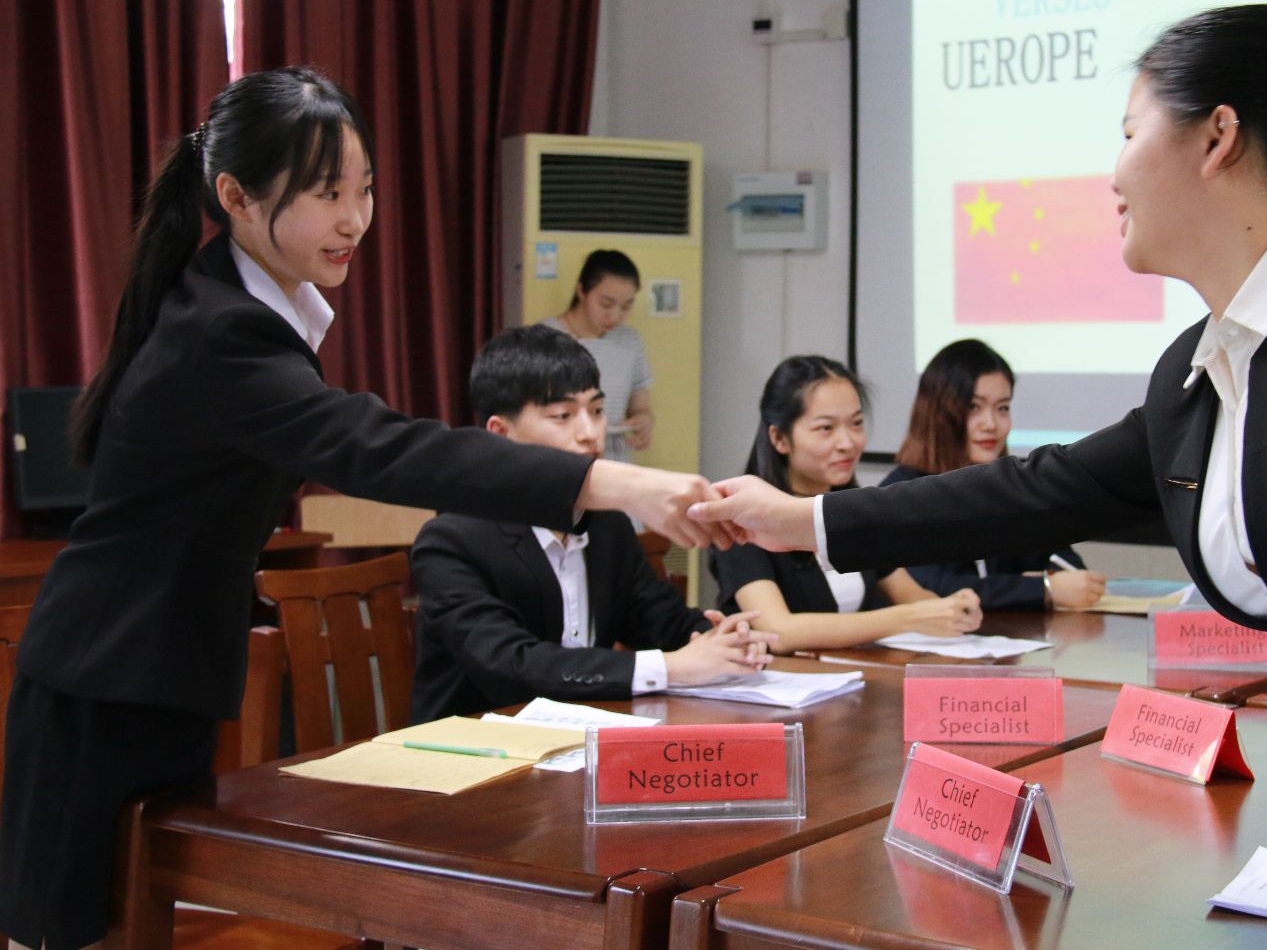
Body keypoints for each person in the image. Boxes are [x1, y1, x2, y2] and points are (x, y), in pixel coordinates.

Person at [692, 4, 1267, 947]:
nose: (1114, 172)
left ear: (1218, 136)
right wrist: (807, 521)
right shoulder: (1200, 374)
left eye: (1129, 133)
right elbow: (1040, 489)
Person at [0, 68, 729, 950]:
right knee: (75, 931)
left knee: (129, 918)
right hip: (108, 673)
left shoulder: (237, 303)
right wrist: (618, 482)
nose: (355, 219)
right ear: (235, 196)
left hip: (149, 663)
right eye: (326, 194)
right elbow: (381, 446)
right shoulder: (224, 329)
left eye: (366, 189)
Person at [410, 325, 775, 721]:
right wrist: (672, 667)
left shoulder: (606, 524)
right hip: (474, 745)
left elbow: (658, 618)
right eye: (562, 416)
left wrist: (720, 637)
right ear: (501, 434)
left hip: (581, 736)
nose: (589, 434)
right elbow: (512, 664)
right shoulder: (452, 539)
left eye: (597, 411)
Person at [710, 356, 982, 654]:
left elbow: (909, 594)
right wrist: (910, 618)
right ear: (779, 438)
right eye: (826, 428)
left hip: (854, 674)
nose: (848, 443)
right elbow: (779, 631)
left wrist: (953, 608)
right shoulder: (743, 519)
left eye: (856, 423)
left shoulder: (854, 509)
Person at [884, 338, 1105, 611]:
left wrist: (1050, 580)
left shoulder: (1009, 486)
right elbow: (933, 589)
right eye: (973, 407)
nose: (991, 424)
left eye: (1002, 408)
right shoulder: (900, 495)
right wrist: (1042, 589)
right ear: (937, 413)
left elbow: (1066, 562)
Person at [543, 249, 654, 464]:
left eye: (626, 306)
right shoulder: (547, 338)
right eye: (606, 304)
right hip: (563, 458)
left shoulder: (630, 341)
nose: (615, 315)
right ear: (582, 291)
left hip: (615, 458)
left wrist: (644, 420)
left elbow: (641, 405)